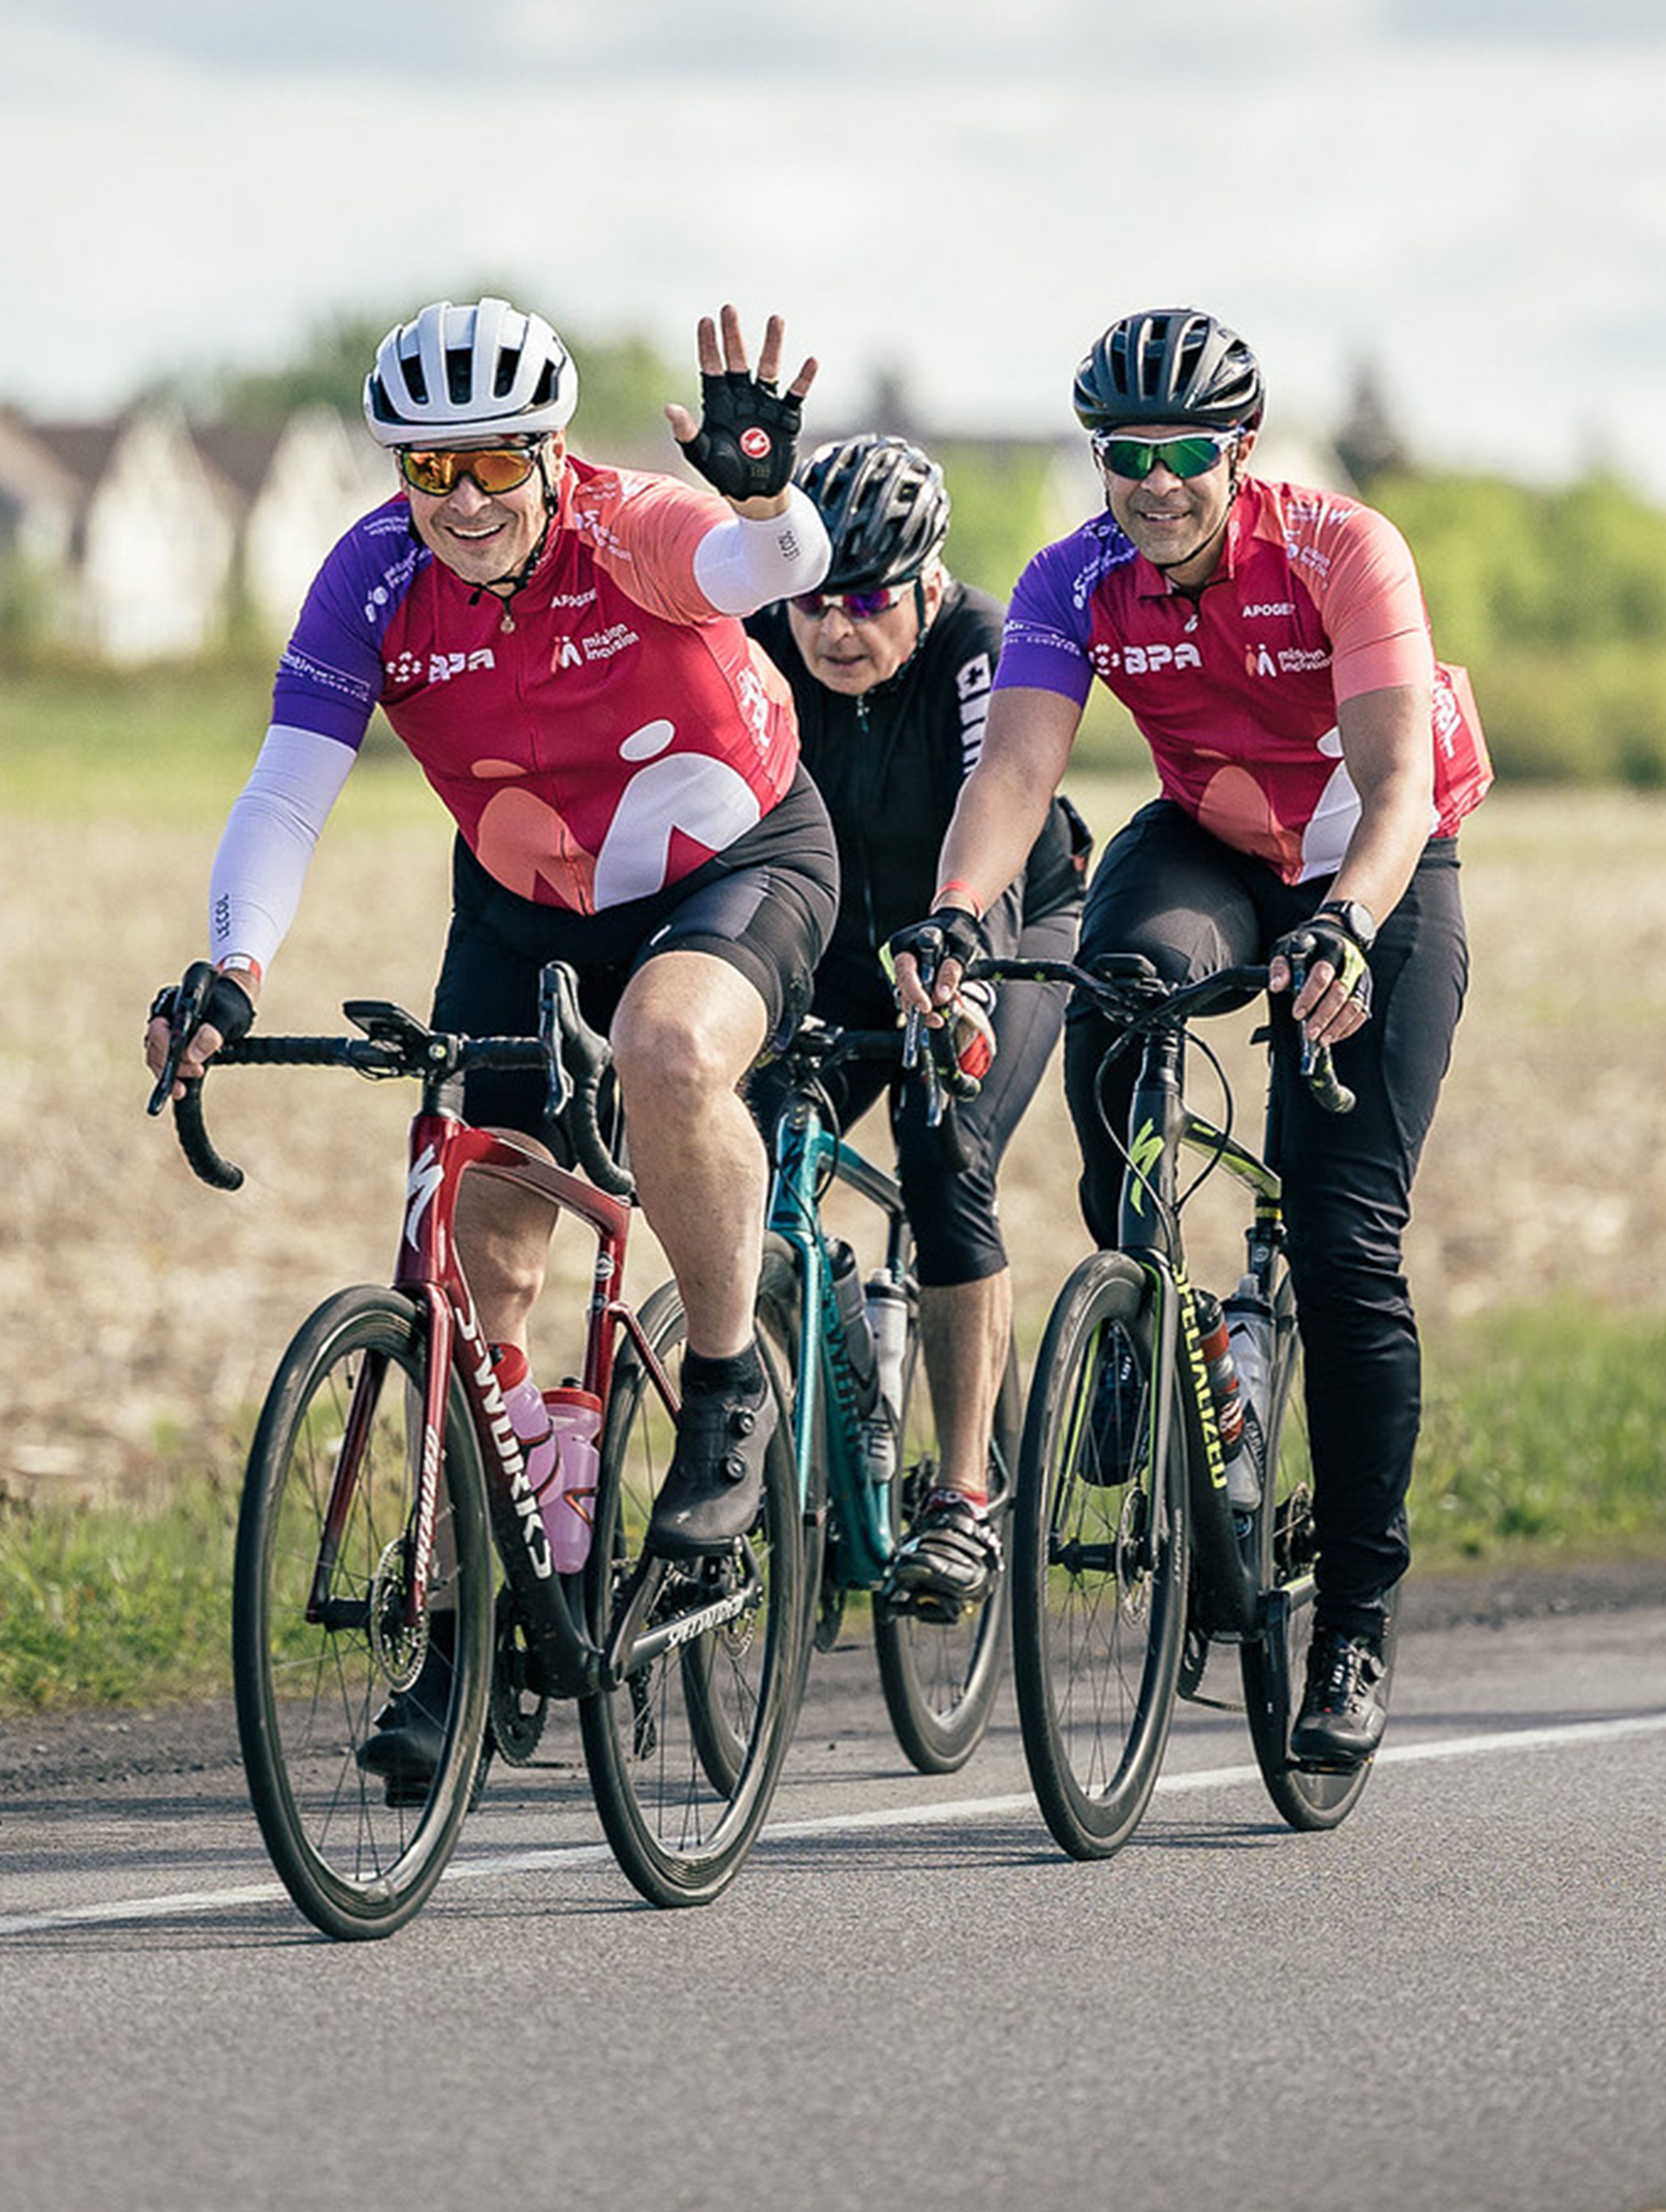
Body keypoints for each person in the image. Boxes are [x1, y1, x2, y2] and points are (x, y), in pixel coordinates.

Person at [146, 296, 839, 1791]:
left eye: (495, 465)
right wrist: (227, 970)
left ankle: (723, 1387)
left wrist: (769, 492)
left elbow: (767, 565)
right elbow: (283, 795)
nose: (463, 503)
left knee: (667, 1053)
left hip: (737, 863)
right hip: (529, 906)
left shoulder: (635, 524)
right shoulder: (372, 578)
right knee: (482, 1256)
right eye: (429, 471)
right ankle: (469, 1631)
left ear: (551, 452)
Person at [890, 306, 1491, 1764]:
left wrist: (1344, 923)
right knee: (1117, 991)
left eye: (1181, 453)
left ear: (1238, 450)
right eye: (1122, 455)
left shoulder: (1344, 550)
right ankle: (1146, 1323)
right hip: (1212, 840)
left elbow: (1400, 777)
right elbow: (1020, 767)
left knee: (1346, 1251)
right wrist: (959, 913)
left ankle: (1353, 1616)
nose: (1152, 482)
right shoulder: (1073, 574)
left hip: (1373, 857)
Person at [747, 435, 1089, 1613]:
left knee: (945, 1152)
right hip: (842, 957)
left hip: (1004, 931)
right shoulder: (760, 651)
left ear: (925, 585)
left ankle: (962, 1498)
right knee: (737, 1157)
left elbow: (999, 806)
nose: (837, 630)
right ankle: (832, 1343)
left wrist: (958, 964)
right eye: (812, 603)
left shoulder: (976, 649)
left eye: (867, 601)